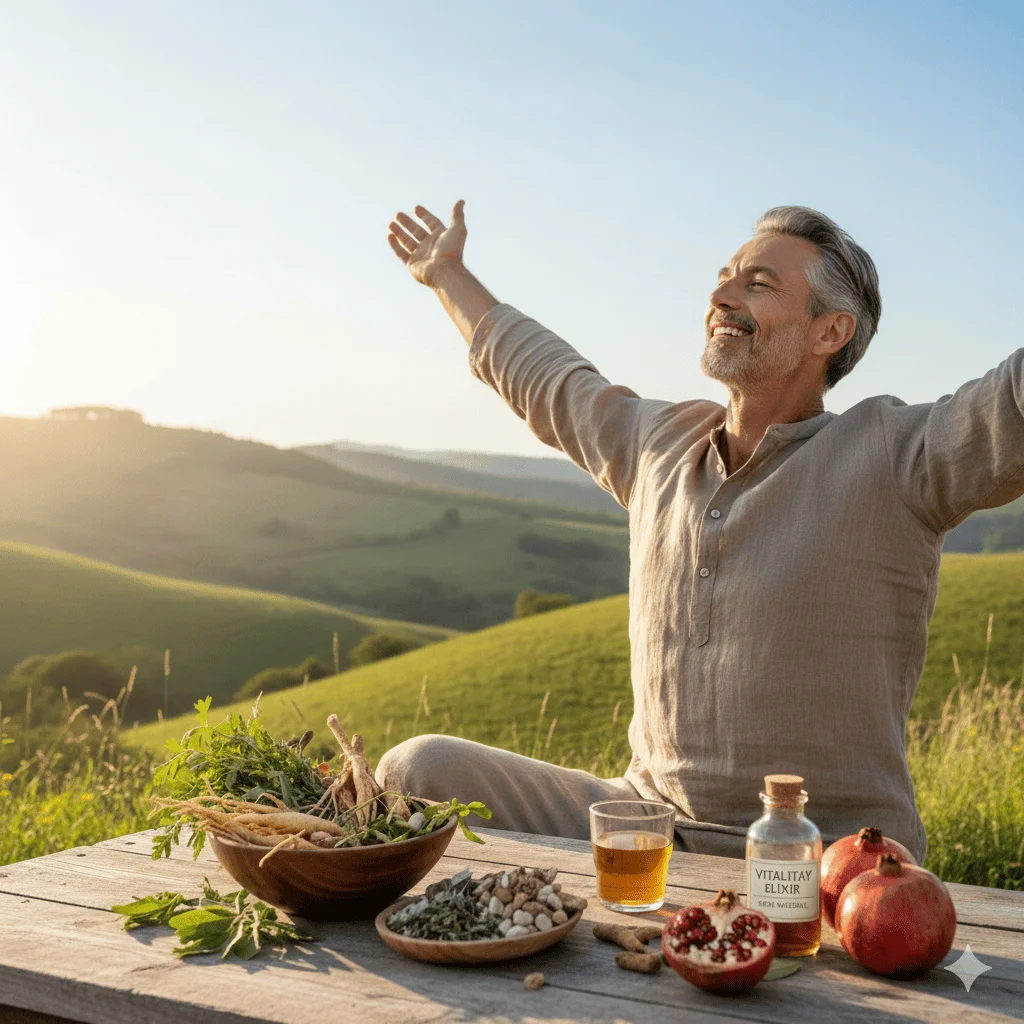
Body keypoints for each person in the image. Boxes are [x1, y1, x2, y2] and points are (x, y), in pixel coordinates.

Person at [378, 200, 1024, 861]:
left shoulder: (897, 456)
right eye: (725, 276)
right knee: (418, 769)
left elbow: (1011, 404)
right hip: (648, 824)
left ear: (828, 332)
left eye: (759, 284)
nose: (721, 295)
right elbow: (550, 381)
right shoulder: (661, 443)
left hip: (823, 854)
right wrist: (448, 274)